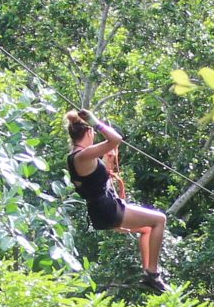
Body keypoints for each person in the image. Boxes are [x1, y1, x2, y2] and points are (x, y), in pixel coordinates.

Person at [66, 108, 168, 293]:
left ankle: (148, 274)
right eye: (93, 132)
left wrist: (108, 161)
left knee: (147, 229)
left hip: (102, 209)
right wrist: (95, 121)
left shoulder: (79, 157)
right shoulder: (82, 156)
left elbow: (97, 181)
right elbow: (115, 139)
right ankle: (153, 273)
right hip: (107, 209)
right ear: (89, 132)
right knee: (159, 220)